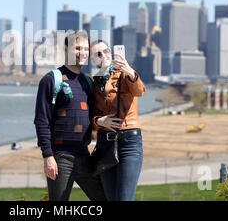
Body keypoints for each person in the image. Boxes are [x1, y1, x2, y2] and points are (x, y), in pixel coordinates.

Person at [34, 31, 106, 201]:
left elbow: (94, 114)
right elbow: (41, 120)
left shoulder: (88, 82)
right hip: (60, 157)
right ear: (66, 49)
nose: (82, 53)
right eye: (77, 48)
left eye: (85, 49)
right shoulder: (52, 79)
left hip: (84, 155)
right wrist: (48, 156)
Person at [90, 39, 146, 201]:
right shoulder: (95, 82)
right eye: (97, 54)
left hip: (129, 143)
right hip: (105, 144)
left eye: (106, 51)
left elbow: (139, 91)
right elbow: (92, 115)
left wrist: (130, 71)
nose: (103, 56)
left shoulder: (124, 74)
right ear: (93, 60)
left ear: (112, 53)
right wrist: (100, 121)